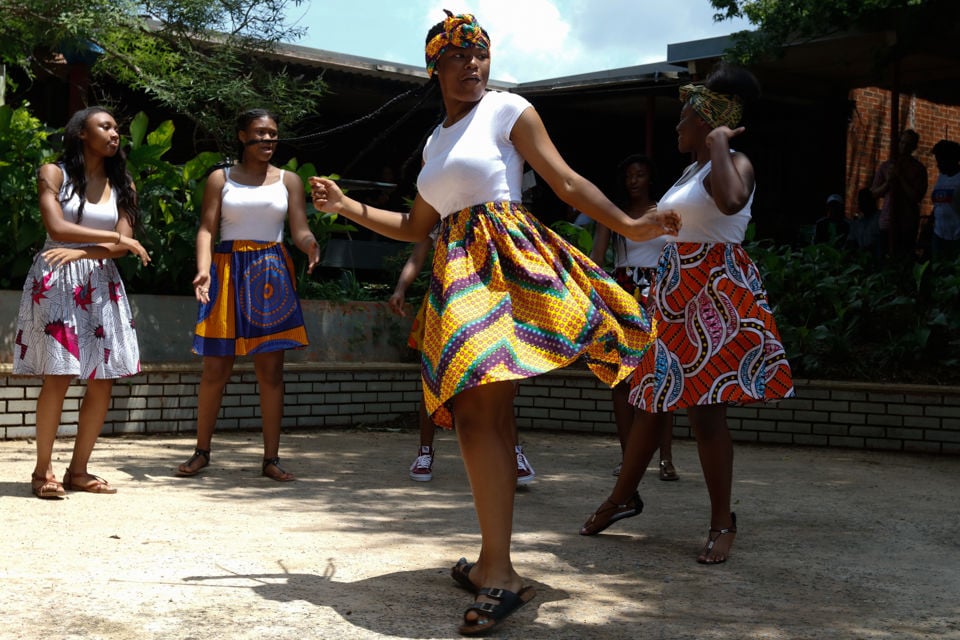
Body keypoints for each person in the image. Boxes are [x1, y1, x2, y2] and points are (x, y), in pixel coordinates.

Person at [309, 11, 680, 635]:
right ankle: (492, 560)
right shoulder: (434, 143)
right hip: (458, 273)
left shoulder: (509, 110)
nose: (472, 63)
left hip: (505, 265)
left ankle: (501, 570)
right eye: (457, 55)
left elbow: (564, 181)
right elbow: (413, 228)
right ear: (436, 67)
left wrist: (632, 227)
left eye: (480, 53)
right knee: (485, 414)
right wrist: (348, 205)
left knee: (481, 412)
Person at [580, 63, 795, 565]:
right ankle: (622, 498)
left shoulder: (735, 161)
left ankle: (723, 522)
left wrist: (721, 143)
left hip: (716, 292)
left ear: (707, 122)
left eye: (684, 119)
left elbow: (732, 200)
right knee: (652, 401)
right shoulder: (687, 172)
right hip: (675, 289)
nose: (677, 127)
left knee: (705, 412)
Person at [176, 108, 320, 482]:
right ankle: (201, 452)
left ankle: (270, 459)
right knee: (215, 368)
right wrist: (203, 268)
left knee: (272, 372)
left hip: (270, 272)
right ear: (242, 136)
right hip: (226, 270)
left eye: (272, 133)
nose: (268, 140)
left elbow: (298, 228)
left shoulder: (289, 181)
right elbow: (206, 230)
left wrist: (309, 244)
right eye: (259, 133)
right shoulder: (219, 178)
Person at [14, 106, 151, 498]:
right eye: (104, 126)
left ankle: (79, 471)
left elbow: (119, 247)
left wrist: (89, 251)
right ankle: (43, 472)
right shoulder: (53, 173)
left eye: (116, 128)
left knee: (102, 379)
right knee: (58, 375)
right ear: (81, 134)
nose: (114, 133)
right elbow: (55, 228)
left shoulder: (123, 183)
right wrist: (116, 241)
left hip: (99, 279)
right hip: (56, 277)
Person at [388, 236, 535, 485]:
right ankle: (425, 453)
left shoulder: (488, 212)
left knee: (500, 379)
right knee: (433, 381)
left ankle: (515, 454)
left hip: (487, 302)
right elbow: (417, 256)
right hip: (443, 302)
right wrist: (400, 288)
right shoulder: (437, 213)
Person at [590, 154, 677, 481]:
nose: (633, 180)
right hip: (624, 292)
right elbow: (598, 258)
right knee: (622, 377)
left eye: (640, 174)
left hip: (659, 290)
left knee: (663, 377)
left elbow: (677, 251)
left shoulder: (665, 211)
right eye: (628, 176)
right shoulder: (614, 214)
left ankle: (666, 459)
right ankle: (628, 457)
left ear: (650, 178)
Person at [871, 129, 928, 260]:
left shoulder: (918, 169)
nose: (904, 147)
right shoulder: (886, 166)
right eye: (902, 142)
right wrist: (888, 182)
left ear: (914, 147)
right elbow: (873, 193)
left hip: (907, 224)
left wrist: (900, 176)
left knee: (903, 262)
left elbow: (916, 197)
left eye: (908, 144)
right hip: (887, 222)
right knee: (883, 260)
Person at [929, 139, 960, 262]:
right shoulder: (941, 177)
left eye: (940, 161)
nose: (938, 165)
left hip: (957, 235)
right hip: (939, 233)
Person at [846, 187, 881, 259]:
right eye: (860, 201)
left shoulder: (880, 218)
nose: (861, 204)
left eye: (864, 200)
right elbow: (850, 242)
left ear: (872, 201)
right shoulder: (857, 223)